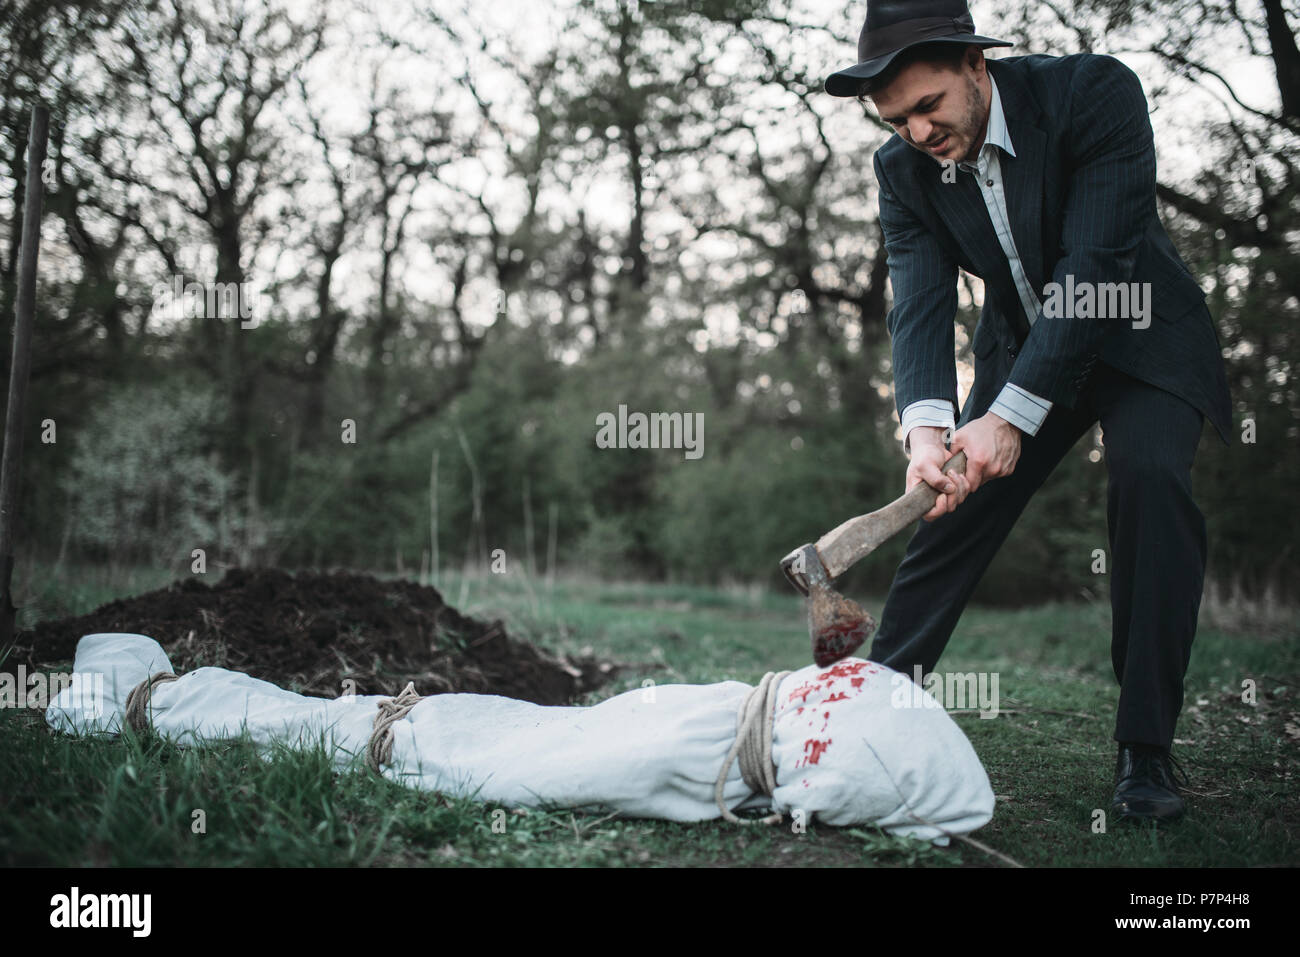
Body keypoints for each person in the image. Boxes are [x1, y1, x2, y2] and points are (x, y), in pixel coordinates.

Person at [824, 0, 1232, 823]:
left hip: (1140, 332)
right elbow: (921, 299)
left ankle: (1144, 752)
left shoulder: (1093, 94)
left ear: (977, 67)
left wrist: (1010, 416)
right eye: (895, 118)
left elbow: (1096, 266)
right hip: (1020, 345)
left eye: (929, 106)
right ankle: (874, 714)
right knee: (949, 512)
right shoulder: (902, 170)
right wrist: (928, 428)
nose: (915, 131)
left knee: (1148, 479)